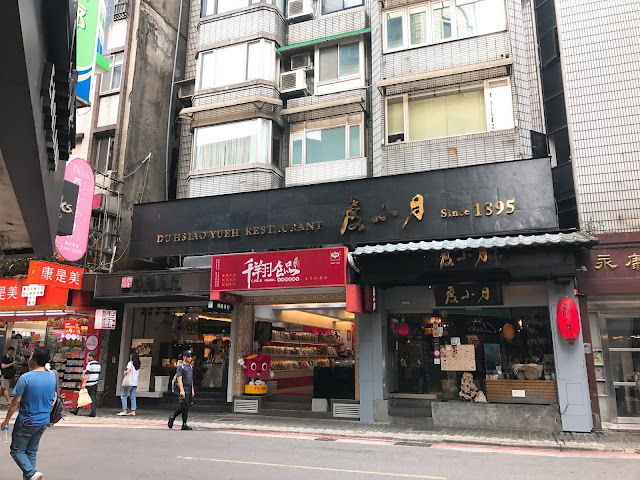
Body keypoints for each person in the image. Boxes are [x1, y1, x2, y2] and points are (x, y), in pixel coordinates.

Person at [1, 347, 56, 480]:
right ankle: (31, 476)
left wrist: (7, 419)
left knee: (16, 450)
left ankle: (31, 473)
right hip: (43, 419)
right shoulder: (52, 375)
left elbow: (15, 402)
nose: (29, 359)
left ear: (35, 360)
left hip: (27, 420)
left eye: (31, 356)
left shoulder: (26, 378)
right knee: (31, 451)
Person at [168, 351, 195, 431]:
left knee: (186, 407)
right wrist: (182, 390)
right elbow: (179, 379)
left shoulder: (190, 367)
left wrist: (192, 389)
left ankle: (183, 423)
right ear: (184, 357)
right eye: (188, 356)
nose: (190, 358)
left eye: (191, 356)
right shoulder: (181, 366)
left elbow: (191, 379)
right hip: (184, 388)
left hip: (189, 388)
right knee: (184, 406)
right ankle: (174, 417)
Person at [70, 351, 101, 417]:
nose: (87, 358)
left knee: (82, 396)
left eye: (88, 356)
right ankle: (93, 412)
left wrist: (84, 383)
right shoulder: (98, 365)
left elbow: (87, 374)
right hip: (95, 383)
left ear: (91, 357)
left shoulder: (90, 364)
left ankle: (76, 410)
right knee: (93, 398)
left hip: (89, 383)